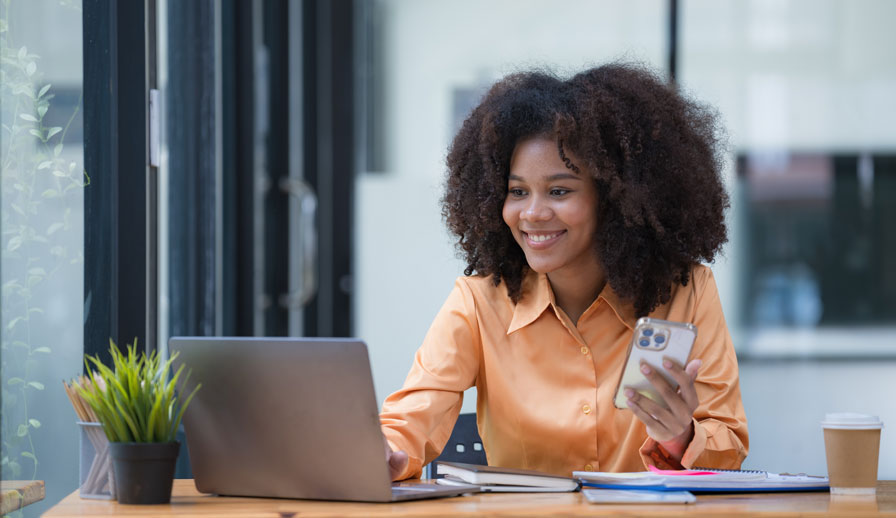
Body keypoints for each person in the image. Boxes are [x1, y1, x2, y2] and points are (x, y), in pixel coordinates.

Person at [380, 63, 748, 481]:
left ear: (614, 200)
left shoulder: (686, 292)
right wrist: (387, 452)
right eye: (517, 192)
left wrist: (679, 437)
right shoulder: (479, 301)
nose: (533, 213)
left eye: (559, 191)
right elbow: (410, 418)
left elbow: (729, 447)